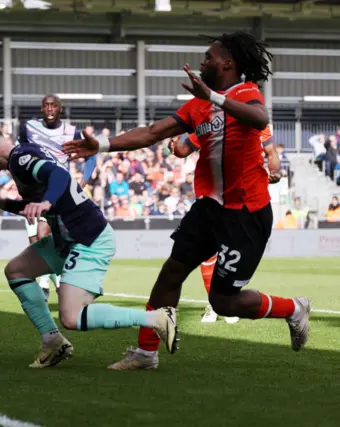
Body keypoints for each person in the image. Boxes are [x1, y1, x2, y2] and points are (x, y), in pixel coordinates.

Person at [63, 31, 311, 371]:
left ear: (228, 63)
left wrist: (213, 96)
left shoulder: (245, 93)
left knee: (224, 302)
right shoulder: (198, 106)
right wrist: (103, 147)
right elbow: (152, 133)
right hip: (210, 207)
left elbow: (260, 119)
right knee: (171, 273)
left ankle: (295, 309)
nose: (202, 61)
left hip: (246, 213)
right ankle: (146, 353)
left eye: (209, 56)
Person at [0, 121, 177, 369]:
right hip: (66, 239)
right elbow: (43, 202)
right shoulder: (20, 159)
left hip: (88, 237)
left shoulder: (21, 158)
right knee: (17, 270)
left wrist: (44, 203)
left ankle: (158, 318)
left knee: (72, 316)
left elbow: (60, 176)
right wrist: (3, 203)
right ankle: (53, 342)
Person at [171, 125, 281, 324]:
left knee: (230, 257)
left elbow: (271, 152)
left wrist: (275, 171)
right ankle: (213, 306)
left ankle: (226, 302)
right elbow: (182, 149)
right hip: (211, 197)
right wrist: (177, 144)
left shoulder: (257, 124)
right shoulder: (213, 121)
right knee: (204, 257)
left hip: (241, 202)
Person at [16, 94, 97, 300]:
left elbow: (91, 157)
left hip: (58, 190)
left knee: (46, 235)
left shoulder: (71, 132)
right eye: (46, 106)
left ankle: (47, 282)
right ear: (41, 109)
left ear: (61, 108)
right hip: (34, 191)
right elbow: (18, 154)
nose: (50, 109)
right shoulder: (29, 128)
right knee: (36, 240)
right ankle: (57, 279)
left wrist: (83, 182)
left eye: (54, 106)